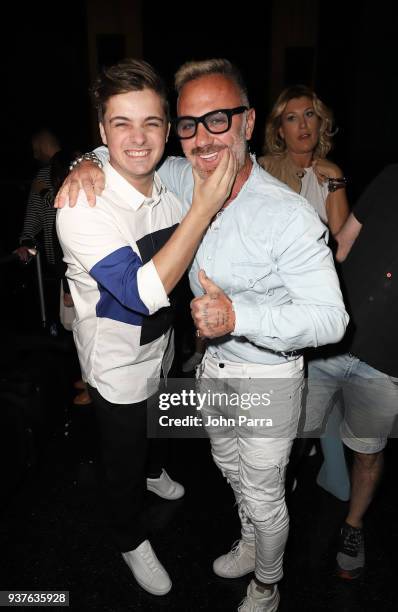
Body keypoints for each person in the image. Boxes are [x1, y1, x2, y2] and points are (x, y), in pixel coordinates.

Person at [56, 58, 348, 612]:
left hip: (267, 374)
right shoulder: (180, 173)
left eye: (219, 120)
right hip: (211, 368)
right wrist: (82, 163)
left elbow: (332, 319)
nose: (202, 137)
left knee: (265, 496)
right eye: (189, 124)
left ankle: (267, 583)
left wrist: (241, 318)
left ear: (247, 121)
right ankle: (249, 544)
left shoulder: (286, 215)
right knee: (231, 469)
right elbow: (124, 147)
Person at [56, 58, 237, 597]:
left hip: (160, 345)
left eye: (151, 123)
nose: (138, 139)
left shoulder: (169, 187)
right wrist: (201, 212)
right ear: (101, 130)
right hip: (114, 363)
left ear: (166, 127)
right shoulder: (82, 205)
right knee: (121, 461)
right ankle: (128, 537)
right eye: (120, 124)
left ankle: (154, 469)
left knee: (157, 423)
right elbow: (139, 294)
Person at [304, 164, 398, 580]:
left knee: (367, 451)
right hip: (332, 341)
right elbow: (341, 246)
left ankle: (353, 525)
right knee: (295, 429)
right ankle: (271, 521)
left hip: (386, 361)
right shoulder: (392, 177)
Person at [258, 85, 351, 501]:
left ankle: (309, 459)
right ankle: (280, 466)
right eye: (292, 117)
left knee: (314, 382)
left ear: (321, 123)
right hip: (270, 298)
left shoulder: (330, 172)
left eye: (310, 115)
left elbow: (343, 240)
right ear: (279, 128)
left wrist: (336, 182)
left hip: (312, 295)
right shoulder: (261, 168)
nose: (303, 125)